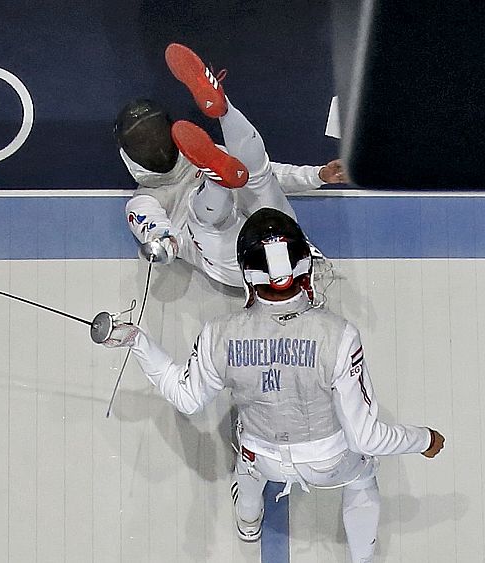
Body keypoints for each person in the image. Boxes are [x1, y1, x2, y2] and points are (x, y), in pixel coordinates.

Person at [102, 207, 445, 563]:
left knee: (247, 469)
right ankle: (364, 559)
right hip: (331, 461)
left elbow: (186, 399)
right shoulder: (340, 336)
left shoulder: (219, 334)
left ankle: (248, 523)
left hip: (262, 457)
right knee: (362, 475)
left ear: (248, 276)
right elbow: (365, 438)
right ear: (304, 269)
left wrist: (138, 341)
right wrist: (423, 439)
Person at [117, 43, 346, 287]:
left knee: (215, 214)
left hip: (241, 261)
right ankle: (223, 108)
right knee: (256, 177)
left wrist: (320, 175)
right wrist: (317, 176)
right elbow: (158, 231)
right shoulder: (146, 200)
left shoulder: (143, 200)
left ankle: (217, 182)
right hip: (280, 241)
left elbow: (159, 234)